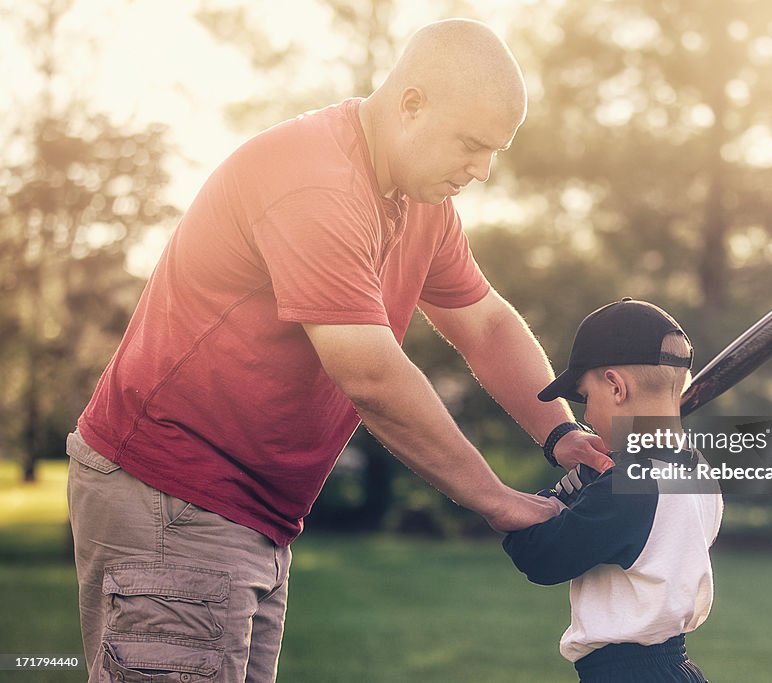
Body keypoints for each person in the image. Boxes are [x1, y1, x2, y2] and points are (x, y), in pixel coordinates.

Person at [66, 18, 613, 682]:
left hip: (251, 514)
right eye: (472, 145)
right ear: (412, 104)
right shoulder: (317, 182)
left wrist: (560, 431)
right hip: (173, 494)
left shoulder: (421, 206)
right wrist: (497, 500)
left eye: (494, 151)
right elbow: (371, 374)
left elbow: (487, 325)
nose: (483, 171)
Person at [503, 298, 724, 683]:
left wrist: (542, 503)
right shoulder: (696, 470)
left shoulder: (629, 485)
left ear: (615, 386)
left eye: (587, 399)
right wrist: (588, 487)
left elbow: (541, 558)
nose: (585, 417)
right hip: (673, 668)